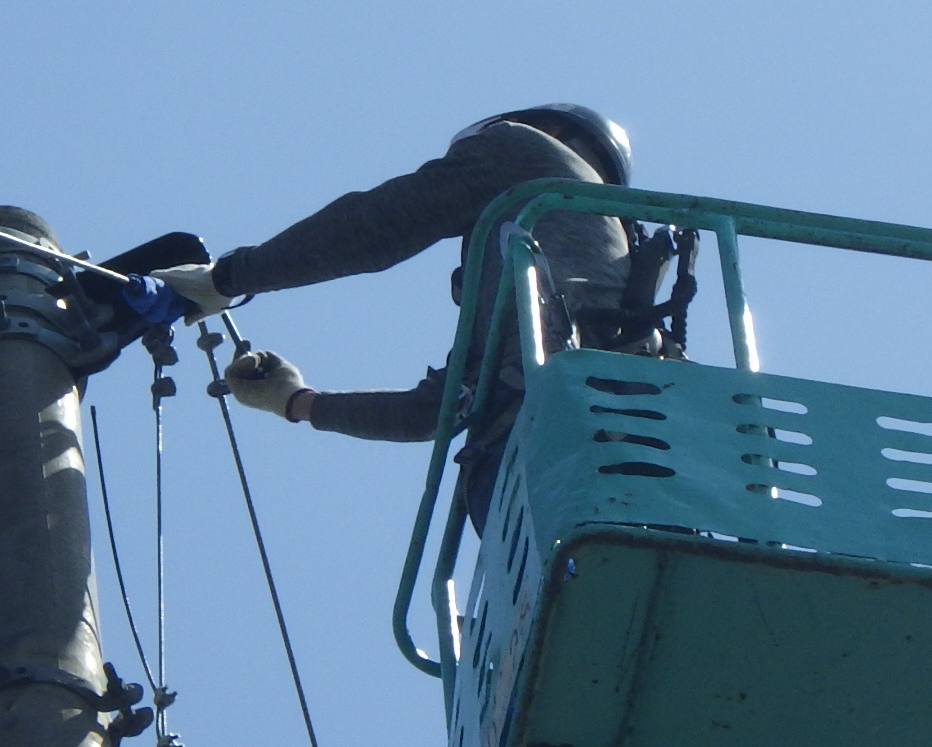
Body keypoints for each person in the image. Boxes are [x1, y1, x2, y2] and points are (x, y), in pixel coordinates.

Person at [152, 104, 657, 530]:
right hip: (648, 457)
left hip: (539, 462)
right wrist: (294, 401)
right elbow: (433, 411)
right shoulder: (603, 271)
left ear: (554, 128)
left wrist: (226, 279)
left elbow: (377, 226)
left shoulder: (523, 147)